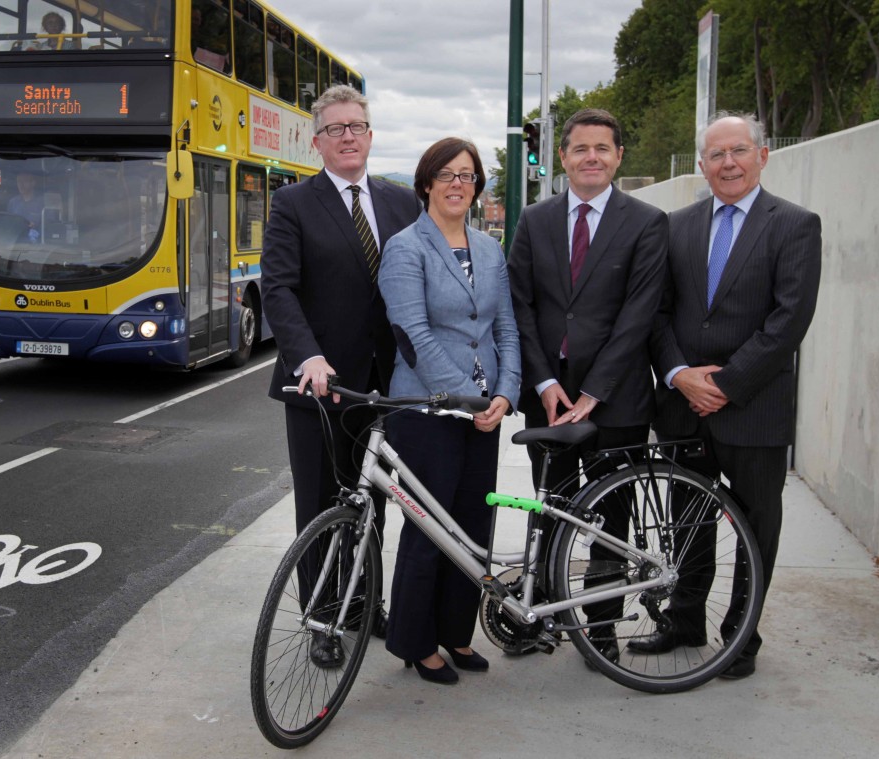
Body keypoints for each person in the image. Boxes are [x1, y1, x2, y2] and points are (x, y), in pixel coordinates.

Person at [642, 111, 822, 680]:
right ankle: (685, 620)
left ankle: (741, 635)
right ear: (702, 164)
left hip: (754, 407)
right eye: (716, 155)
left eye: (739, 151)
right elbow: (658, 312)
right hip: (682, 407)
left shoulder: (794, 225)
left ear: (762, 156)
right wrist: (678, 374)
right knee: (686, 522)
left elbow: (789, 321)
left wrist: (723, 384)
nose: (728, 163)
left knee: (757, 525)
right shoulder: (676, 225)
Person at [261, 85, 421, 667]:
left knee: (372, 505)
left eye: (357, 126)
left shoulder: (403, 203)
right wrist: (307, 355)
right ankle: (323, 618)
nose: (348, 136)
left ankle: (361, 605)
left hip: (389, 385)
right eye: (335, 129)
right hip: (320, 387)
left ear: (371, 135)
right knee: (323, 506)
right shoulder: (292, 204)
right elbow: (277, 288)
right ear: (317, 141)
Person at [507, 108, 667, 669]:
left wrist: (594, 392)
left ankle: (600, 627)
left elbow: (639, 316)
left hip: (616, 399)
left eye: (603, 147)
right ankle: (542, 617)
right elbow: (520, 306)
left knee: (611, 518)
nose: (591, 157)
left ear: (619, 156)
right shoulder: (534, 220)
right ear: (563, 157)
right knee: (547, 510)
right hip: (549, 396)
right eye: (580, 148)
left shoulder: (648, 223)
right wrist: (546, 381)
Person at [379, 137, 521, 685]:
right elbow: (412, 335)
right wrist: (466, 397)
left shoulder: (488, 248)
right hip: (427, 413)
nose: (458, 184)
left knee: (471, 529)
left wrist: (505, 394)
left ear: (478, 186)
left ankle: (457, 634)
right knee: (429, 533)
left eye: (467, 175)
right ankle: (417, 643)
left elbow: (506, 328)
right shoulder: (406, 247)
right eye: (447, 175)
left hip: (484, 414)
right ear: (426, 184)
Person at [7, 172, 45, 241]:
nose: (21, 185)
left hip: (37, 243)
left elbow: (49, 224)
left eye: (24, 181)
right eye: (18, 182)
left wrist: (35, 226)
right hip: (15, 240)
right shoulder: (13, 202)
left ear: (33, 183)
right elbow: (9, 223)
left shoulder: (42, 203)